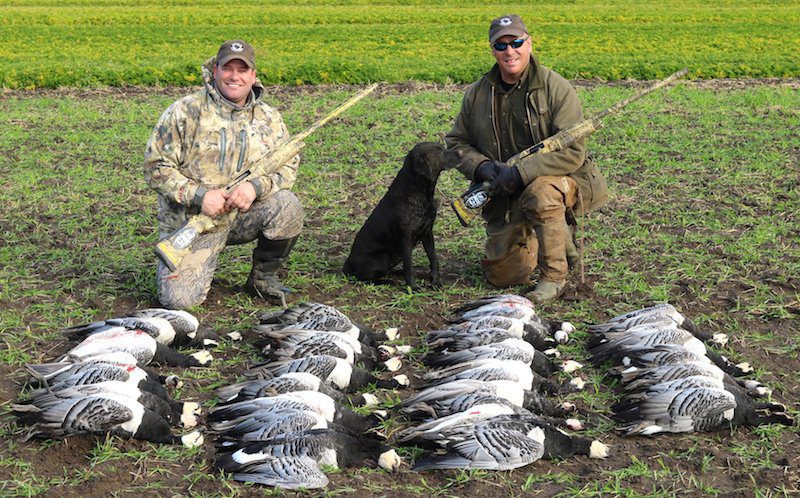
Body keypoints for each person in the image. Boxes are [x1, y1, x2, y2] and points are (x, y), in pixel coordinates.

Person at [446, 14, 609, 303]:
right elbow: (456, 143)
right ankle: (550, 236)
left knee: (541, 193)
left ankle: (554, 277)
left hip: (560, 181)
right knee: (504, 276)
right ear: (492, 50)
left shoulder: (555, 88)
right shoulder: (477, 93)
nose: (510, 51)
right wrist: (483, 168)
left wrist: (520, 173)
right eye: (501, 46)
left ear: (529, 43)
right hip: (505, 194)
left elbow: (573, 152)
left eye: (516, 42)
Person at [144, 40, 303, 309]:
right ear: (215, 70)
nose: (234, 76)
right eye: (228, 68)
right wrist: (199, 196)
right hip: (193, 223)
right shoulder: (185, 111)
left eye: (243, 70)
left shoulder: (269, 118)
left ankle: (262, 279)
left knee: (287, 205)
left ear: (253, 76)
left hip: (241, 216)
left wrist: (255, 188)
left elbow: (289, 165)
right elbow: (155, 166)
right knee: (179, 302)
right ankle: (196, 263)